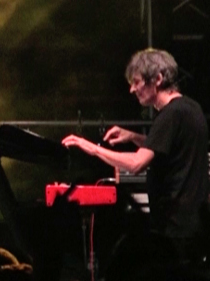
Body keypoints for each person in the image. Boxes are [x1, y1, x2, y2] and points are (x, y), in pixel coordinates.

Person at [62, 48, 209, 250]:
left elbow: (135, 164)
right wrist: (133, 137)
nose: (132, 89)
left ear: (157, 79)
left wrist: (92, 148)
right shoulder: (191, 108)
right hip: (195, 226)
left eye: (137, 82)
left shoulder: (170, 115)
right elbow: (169, 148)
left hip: (175, 230)